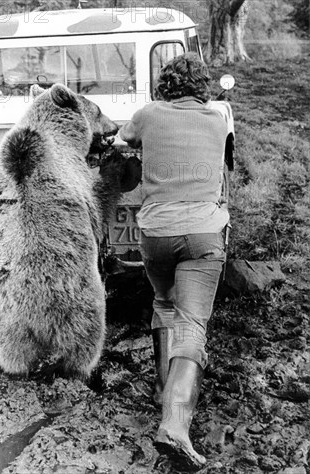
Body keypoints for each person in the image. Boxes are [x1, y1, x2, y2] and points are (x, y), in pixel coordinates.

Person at [119, 53, 230, 471]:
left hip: (157, 233)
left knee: (164, 304)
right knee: (192, 326)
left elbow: (126, 138)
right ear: (202, 88)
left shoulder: (148, 114)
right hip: (203, 232)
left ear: (163, 85)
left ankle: (164, 389)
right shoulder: (217, 119)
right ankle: (175, 425)